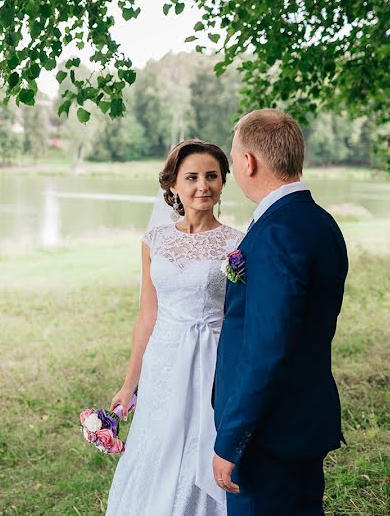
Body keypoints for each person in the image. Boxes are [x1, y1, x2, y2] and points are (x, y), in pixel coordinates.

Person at [212, 109, 348, 515]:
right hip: (305, 417)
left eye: (234, 157)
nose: (234, 166)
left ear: (249, 162)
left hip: (269, 434)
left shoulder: (275, 234)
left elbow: (265, 348)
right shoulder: (322, 223)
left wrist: (231, 440)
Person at [106, 139, 244, 516]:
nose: (204, 186)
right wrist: (129, 384)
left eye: (212, 176)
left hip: (211, 362)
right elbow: (147, 314)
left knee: (201, 444)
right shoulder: (154, 241)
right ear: (173, 186)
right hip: (163, 362)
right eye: (193, 177)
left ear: (222, 182)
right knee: (158, 445)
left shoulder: (238, 243)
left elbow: (240, 316)